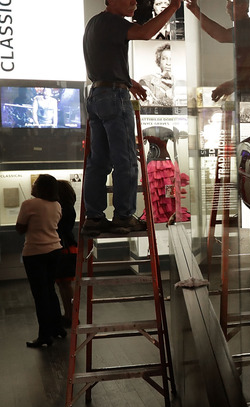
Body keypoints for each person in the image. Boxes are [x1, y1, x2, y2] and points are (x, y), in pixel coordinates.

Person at [81, 0, 182, 237]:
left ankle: (94, 217)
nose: (134, 2)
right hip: (114, 96)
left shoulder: (95, 23)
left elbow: (105, 63)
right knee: (125, 159)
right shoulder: (114, 22)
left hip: (97, 94)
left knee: (99, 161)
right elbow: (145, 33)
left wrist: (128, 81)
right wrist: (173, 7)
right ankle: (124, 216)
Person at [185, 0, 250, 119]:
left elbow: (220, 35)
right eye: (227, 2)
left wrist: (195, 10)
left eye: (232, 2)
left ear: (244, 5)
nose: (227, 7)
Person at [16, 174, 66, 348]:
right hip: (55, 249)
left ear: (41, 187)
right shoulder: (57, 205)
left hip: (35, 252)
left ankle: (44, 335)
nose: (33, 185)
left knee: (40, 295)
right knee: (50, 290)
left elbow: (20, 228)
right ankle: (57, 328)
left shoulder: (29, 204)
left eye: (36, 183)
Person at [55, 180, 78, 326]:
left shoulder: (64, 209)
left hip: (65, 248)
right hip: (67, 247)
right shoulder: (68, 207)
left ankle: (72, 315)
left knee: (66, 284)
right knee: (63, 284)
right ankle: (69, 314)